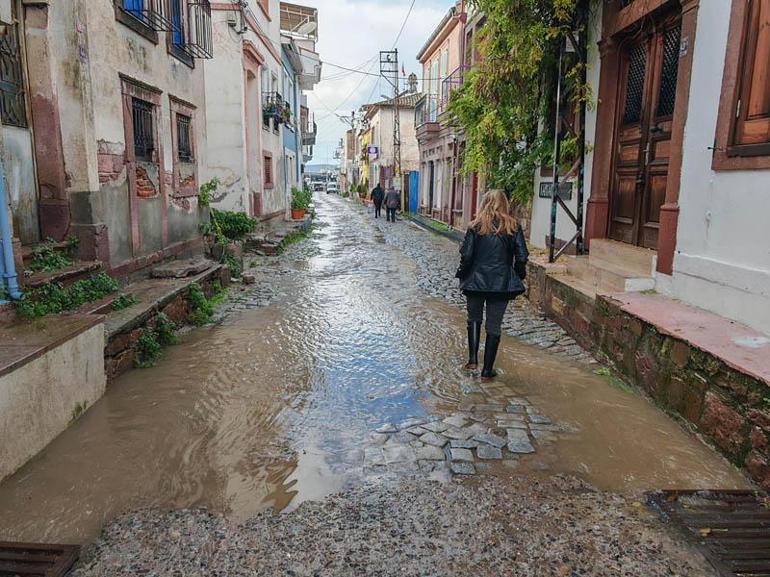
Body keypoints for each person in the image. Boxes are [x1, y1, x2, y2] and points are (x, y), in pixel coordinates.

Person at [455, 190, 529, 381]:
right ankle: (487, 371)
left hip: (475, 282)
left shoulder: (475, 226)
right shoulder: (513, 226)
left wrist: (463, 273)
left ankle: (472, 360)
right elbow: (522, 256)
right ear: (504, 204)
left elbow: (467, 255)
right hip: (500, 282)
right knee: (494, 325)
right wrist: (518, 274)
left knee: (473, 318)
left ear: (484, 203)